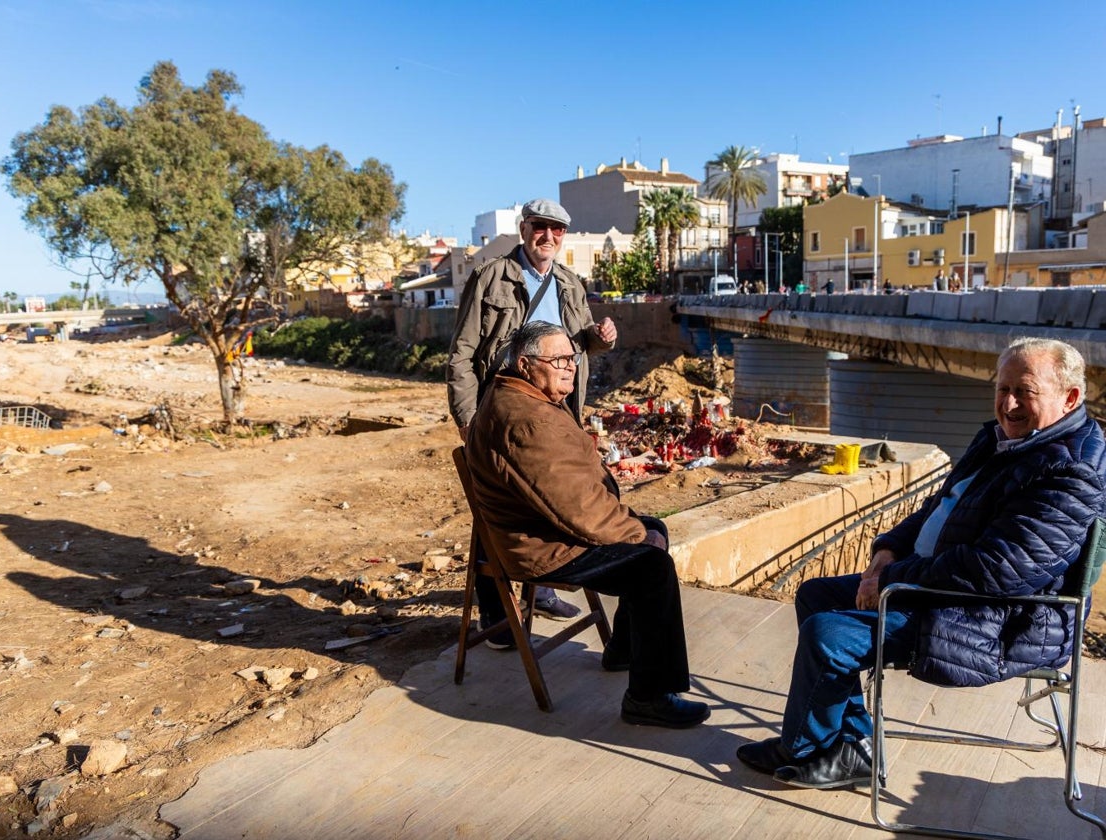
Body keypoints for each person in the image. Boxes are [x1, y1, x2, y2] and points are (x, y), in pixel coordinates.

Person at [735, 337, 1106, 789]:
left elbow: (997, 571)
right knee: (816, 595)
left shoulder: (1069, 470)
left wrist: (891, 578)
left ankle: (804, 749)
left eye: (1024, 391)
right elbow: (940, 506)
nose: (1008, 403)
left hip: (1001, 618)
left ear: (1069, 398)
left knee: (829, 634)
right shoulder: (1005, 440)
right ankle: (852, 745)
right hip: (943, 587)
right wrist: (888, 550)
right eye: (1002, 387)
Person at [465, 321, 709, 728]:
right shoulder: (526, 421)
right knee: (652, 566)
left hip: (548, 526)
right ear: (525, 365)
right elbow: (575, 508)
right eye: (558, 359)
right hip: (544, 546)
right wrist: (635, 533)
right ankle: (647, 698)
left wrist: (637, 527)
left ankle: (624, 652)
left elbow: (572, 496)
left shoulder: (522, 395)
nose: (570, 367)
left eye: (571, 358)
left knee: (654, 531)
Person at [447, 198, 617, 628]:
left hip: (555, 411)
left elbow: (578, 346)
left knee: (550, 498)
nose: (548, 236)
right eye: (540, 227)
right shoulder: (490, 277)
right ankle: (499, 618)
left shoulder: (570, 283)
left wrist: (600, 338)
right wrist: (468, 419)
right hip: (501, 410)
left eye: (557, 230)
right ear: (524, 229)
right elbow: (462, 354)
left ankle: (541, 590)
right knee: (497, 506)